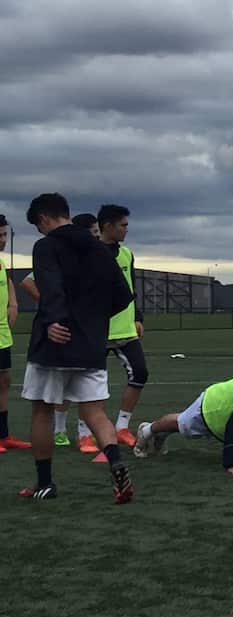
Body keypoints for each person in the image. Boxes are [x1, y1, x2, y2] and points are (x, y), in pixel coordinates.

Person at [18, 193, 134, 501]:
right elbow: (123, 296)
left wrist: (56, 320)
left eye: (38, 226)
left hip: (54, 342)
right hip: (92, 343)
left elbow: (51, 284)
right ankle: (117, 463)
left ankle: (45, 483)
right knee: (95, 412)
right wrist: (92, 320)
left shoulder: (46, 246)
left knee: (42, 410)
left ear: (44, 219)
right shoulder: (100, 250)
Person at [21, 212, 102, 451]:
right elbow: (28, 281)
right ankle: (60, 431)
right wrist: (50, 307)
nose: (95, 238)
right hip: (65, 329)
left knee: (85, 391)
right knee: (62, 388)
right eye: (93, 233)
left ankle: (84, 436)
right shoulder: (60, 252)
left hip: (86, 331)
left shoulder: (92, 256)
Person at [98, 204, 147, 449]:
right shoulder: (90, 254)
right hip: (96, 330)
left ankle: (122, 427)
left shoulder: (127, 254)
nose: (127, 229)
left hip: (126, 330)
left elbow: (131, 288)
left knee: (140, 373)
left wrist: (137, 317)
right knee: (90, 382)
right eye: (123, 225)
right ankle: (85, 432)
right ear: (107, 226)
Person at [0, 214, 33, 453]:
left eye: (4, 235)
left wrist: (13, 303)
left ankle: (3, 436)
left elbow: (7, 280)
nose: (2, 240)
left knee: (3, 382)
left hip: (2, 334)